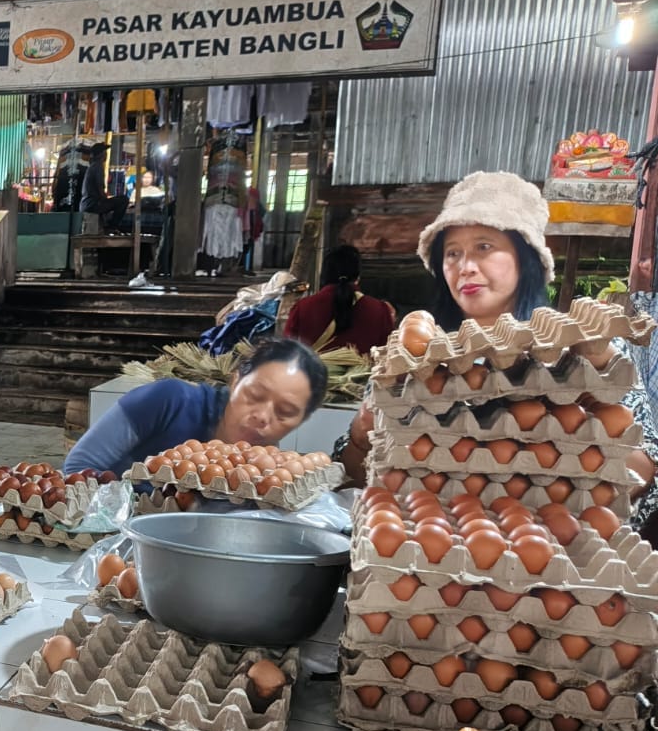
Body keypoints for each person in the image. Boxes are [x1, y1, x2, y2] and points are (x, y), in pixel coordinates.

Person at [337, 171, 656, 495]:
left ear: (527, 259)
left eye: (484, 247)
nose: (466, 267)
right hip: (431, 532)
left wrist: (593, 418)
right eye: (452, 252)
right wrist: (361, 435)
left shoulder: (584, 353)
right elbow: (357, 477)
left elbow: (643, 478)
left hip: (546, 539)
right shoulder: (416, 350)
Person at [66, 337, 328, 476]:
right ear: (235, 380)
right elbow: (79, 466)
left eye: (285, 413)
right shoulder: (170, 401)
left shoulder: (266, 471)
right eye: (255, 395)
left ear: (303, 420)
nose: (262, 416)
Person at [283, 245, 397, 354]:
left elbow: (287, 353)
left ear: (324, 275)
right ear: (357, 277)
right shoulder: (380, 310)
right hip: (365, 374)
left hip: (313, 374)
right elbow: (386, 356)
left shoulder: (302, 308)